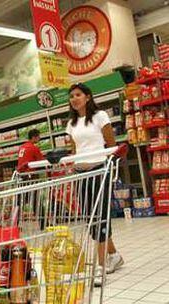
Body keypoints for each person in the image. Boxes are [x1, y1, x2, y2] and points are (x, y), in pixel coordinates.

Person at [65, 83, 124, 287]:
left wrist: (110, 163)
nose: (74, 99)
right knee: (92, 219)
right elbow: (74, 150)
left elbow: (111, 143)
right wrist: (68, 164)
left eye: (78, 95)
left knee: (99, 218)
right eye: (71, 96)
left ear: (88, 97)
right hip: (82, 174)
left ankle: (100, 266)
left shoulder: (100, 116)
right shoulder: (71, 124)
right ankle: (114, 255)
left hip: (100, 170)